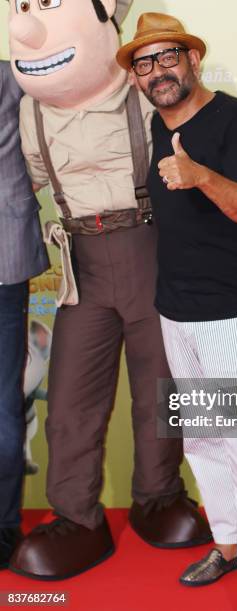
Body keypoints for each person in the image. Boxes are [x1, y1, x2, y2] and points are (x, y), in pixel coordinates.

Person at [6, 0, 237, 581]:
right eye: (146, 61)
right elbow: (20, 178)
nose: (29, 26)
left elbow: (217, 131)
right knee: (71, 400)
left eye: (167, 58)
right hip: (81, 262)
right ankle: (77, 517)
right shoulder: (26, 111)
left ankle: (160, 497)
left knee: (164, 393)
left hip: (152, 251)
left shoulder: (149, 98)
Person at [117, 13, 237, 611]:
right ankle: (231, 544)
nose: (158, 71)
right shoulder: (157, 128)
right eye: (144, 62)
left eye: (167, 57)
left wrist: (198, 175)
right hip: (176, 311)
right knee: (205, 441)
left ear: (191, 59)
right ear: (136, 76)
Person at [0, 59, 49, 569]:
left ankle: (3, 526)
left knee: (2, 405)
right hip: (6, 254)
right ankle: (4, 527)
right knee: (2, 402)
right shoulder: (14, 77)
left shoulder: (21, 74)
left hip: (5, 261)